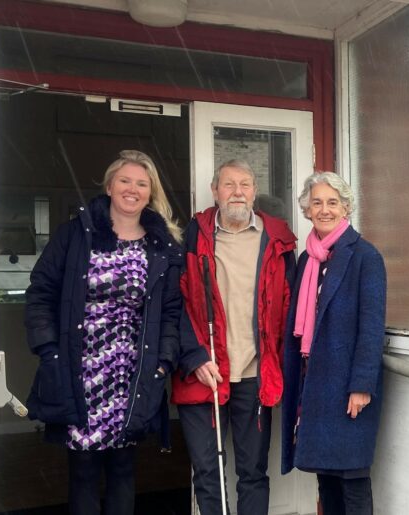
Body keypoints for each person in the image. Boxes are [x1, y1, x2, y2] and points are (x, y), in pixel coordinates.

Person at [24, 150, 183, 515]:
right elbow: (41, 293)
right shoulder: (77, 234)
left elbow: (171, 312)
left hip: (132, 373)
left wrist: (162, 362)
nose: (132, 189)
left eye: (141, 184)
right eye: (125, 181)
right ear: (109, 186)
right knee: (83, 469)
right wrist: (49, 351)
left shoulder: (161, 246)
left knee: (124, 467)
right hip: (79, 371)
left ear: (150, 192)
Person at [173, 159, 296, 515]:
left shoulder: (278, 240)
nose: (237, 192)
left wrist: (287, 365)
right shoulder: (193, 237)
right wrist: (193, 356)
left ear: (254, 192)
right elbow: (174, 303)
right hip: (204, 371)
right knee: (207, 471)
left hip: (255, 373)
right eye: (229, 184)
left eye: (245, 184)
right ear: (215, 191)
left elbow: (290, 308)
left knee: (253, 472)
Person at [281, 172, 387, 515]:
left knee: (352, 477)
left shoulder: (365, 256)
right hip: (314, 384)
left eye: (332, 202)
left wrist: (362, 386)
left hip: (347, 387)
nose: (324, 209)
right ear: (307, 209)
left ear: (345, 208)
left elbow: (372, 327)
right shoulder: (307, 259)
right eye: (317, 203)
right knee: (325, 477)